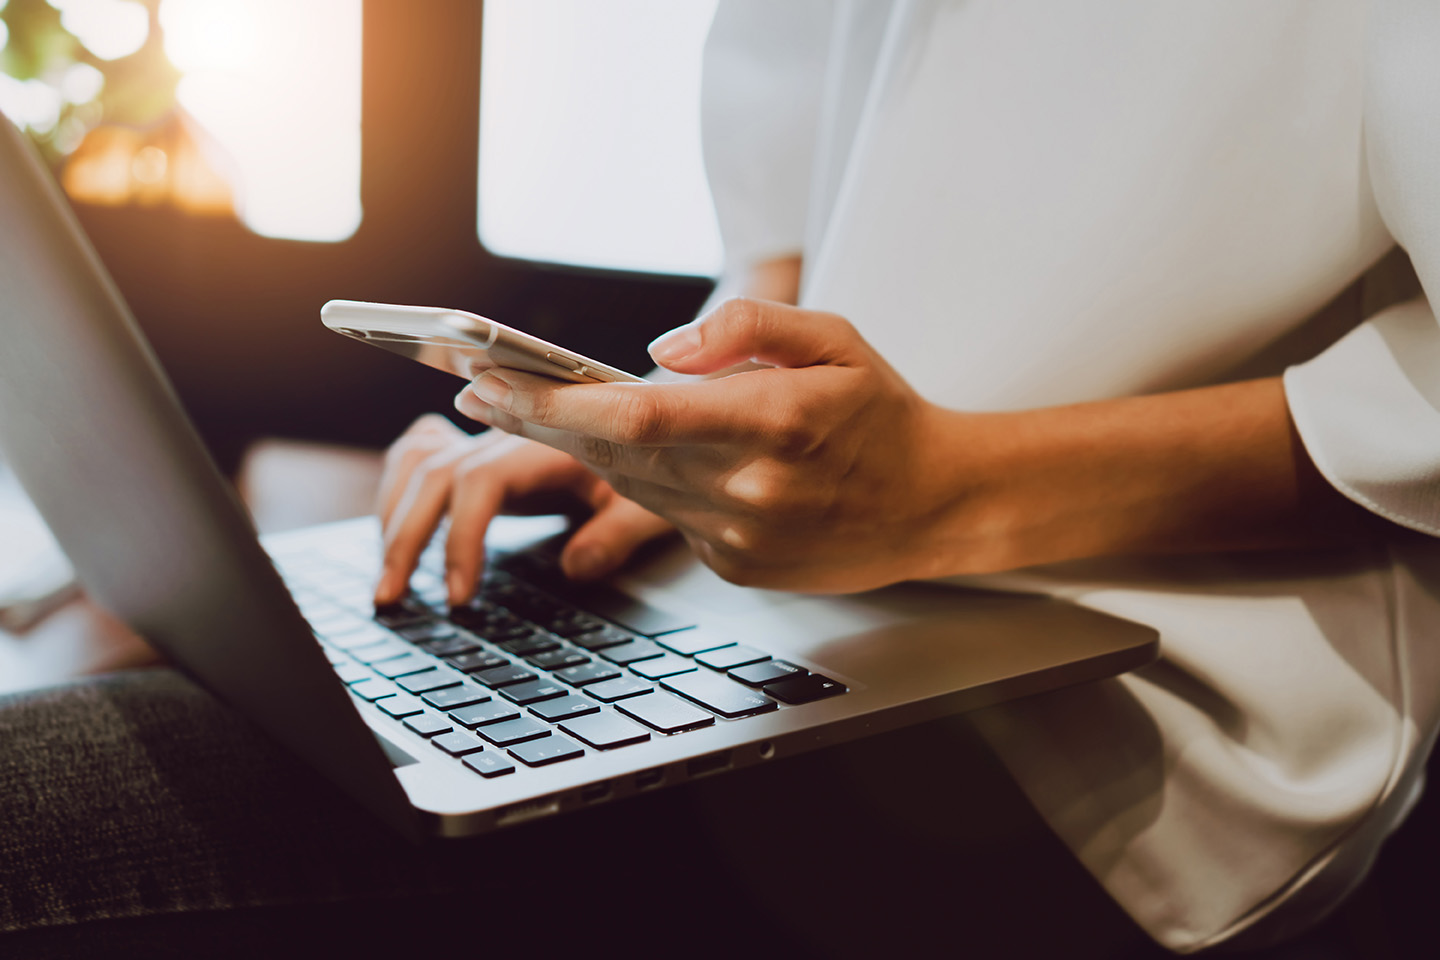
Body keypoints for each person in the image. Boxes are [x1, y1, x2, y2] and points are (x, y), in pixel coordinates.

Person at [372, 1, 1440, 952]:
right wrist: (667, 440)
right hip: (784, 621)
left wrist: (944, 495)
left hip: (1132, 749)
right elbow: (783, 213)